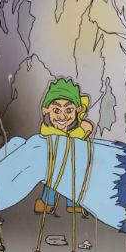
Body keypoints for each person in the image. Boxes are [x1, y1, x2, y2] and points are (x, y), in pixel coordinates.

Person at [35, 77, 93, 215]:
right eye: (56, 110)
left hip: (71, 163)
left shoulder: (74, 126)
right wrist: (83, 130)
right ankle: (46, 203)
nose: (62, 116)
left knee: (73, 180)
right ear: (45, 110)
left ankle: (73, 203)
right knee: (53, 181)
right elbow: (64, 139)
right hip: (54, 164)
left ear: (77, 110)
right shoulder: (47, 129)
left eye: (68, 110)